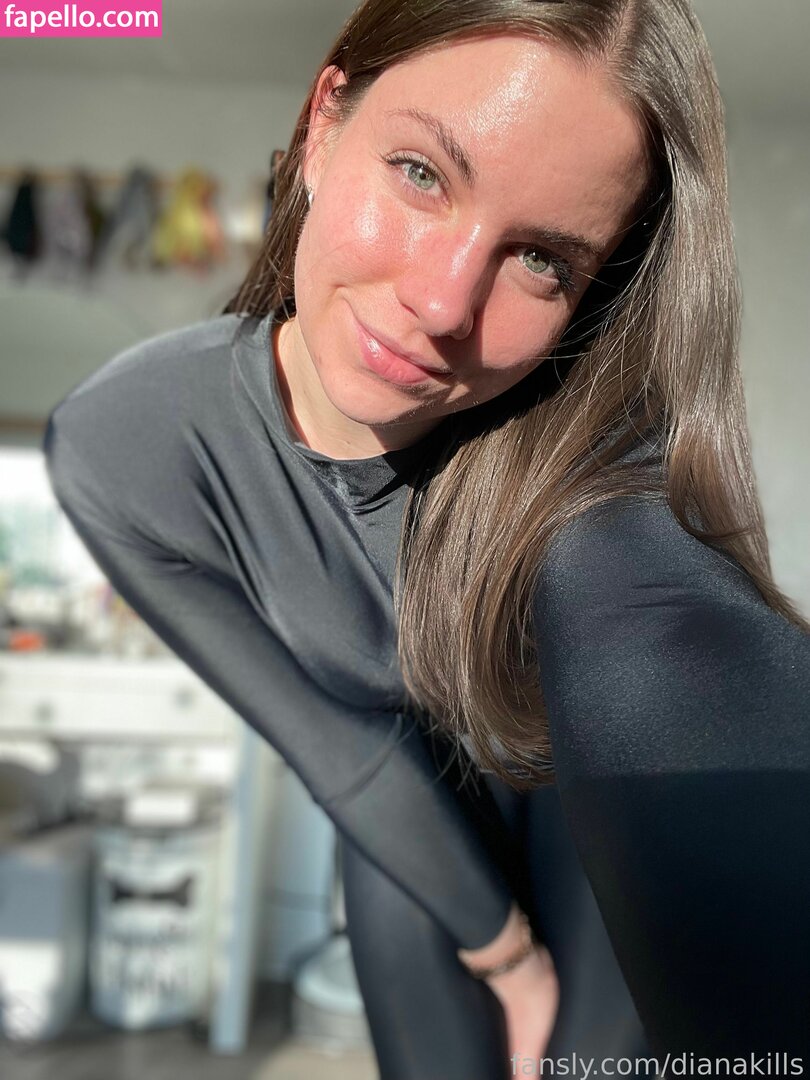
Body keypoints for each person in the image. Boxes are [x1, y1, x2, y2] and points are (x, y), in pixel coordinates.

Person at [42, 0, 810, 1075]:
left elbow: (665, 635)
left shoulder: (587, 464)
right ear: (325, 125)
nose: (444, 304)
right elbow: (341, 750)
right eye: (421, 174)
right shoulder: (131, 445)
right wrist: (510, 962)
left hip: (586, 847)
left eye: (540, 259)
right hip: (408, 830)